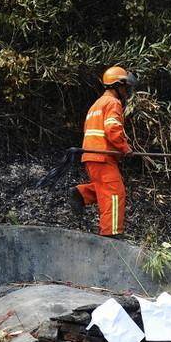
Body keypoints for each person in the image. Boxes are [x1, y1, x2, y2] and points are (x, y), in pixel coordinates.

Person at [71, 66, 136, 237]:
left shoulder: (97, 104)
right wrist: (125, 148)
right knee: (115, 193)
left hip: (91, 156)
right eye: (124, 86)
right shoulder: (113, 103)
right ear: (117, 85)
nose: (126, 90)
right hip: (103, 156)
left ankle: (82, 194)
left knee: (104, 187)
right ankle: (111, 234)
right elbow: (113, 129)